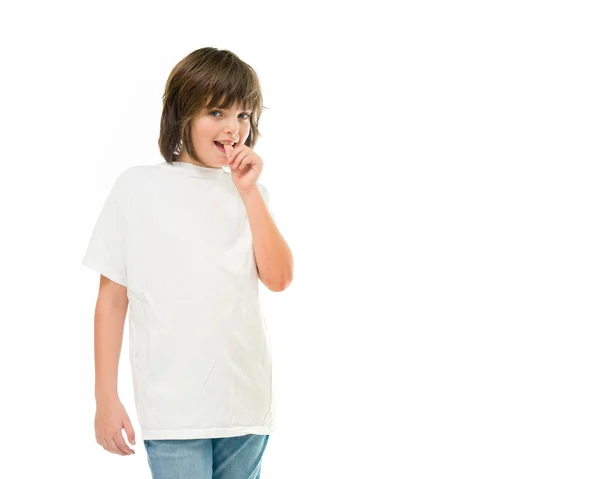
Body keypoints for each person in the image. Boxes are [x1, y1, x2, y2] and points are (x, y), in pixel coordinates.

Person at [82, 47, 294, 479]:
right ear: (182, 115)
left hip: (245, 406)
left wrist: (250, 193)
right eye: (216, 111)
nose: (233, 128)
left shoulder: (252, 194)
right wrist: (106, 397)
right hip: (174, 410)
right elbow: (112, 300)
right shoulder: (138, 188)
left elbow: (279, 279)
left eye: (244, 114)